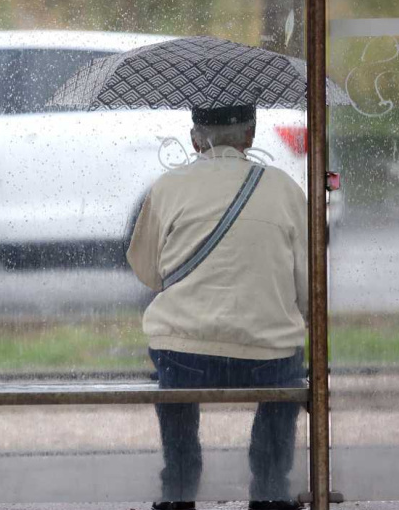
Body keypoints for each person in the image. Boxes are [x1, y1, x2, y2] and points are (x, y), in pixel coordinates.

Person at [126, 104, 309, 510]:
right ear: (250, 137)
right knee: (286, 375)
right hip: (268, 356)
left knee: (174, 375)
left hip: (184, 355)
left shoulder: (167, 187)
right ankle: (270, 489)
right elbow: (309, 288)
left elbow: (147, 272)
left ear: (194, 139)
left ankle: (179, 489)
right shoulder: (286, 189)